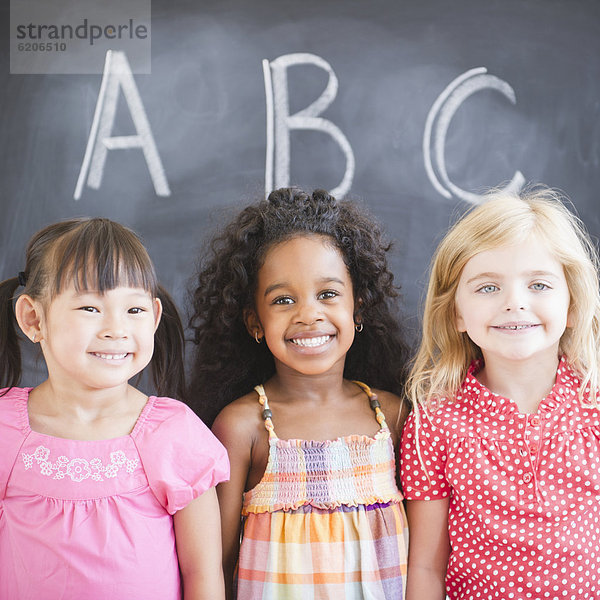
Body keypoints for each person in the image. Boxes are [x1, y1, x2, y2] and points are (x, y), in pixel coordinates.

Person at [188, 187, 411, 599]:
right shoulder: (244, 426)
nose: (308, 314)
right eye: (283, 300)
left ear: (357, 308)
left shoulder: (392, 416)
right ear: (255, 322)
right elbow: (214, 564)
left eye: (328, 294)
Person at [0, 217, 229, 600]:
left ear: (154, 318)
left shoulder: (173, 433)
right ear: (33, 318)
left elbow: (204, 575)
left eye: (134, 310)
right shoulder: (5, 429)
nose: (116, 328)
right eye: (90, 308)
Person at [401, 187, 600, 600]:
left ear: (574, 305)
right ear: (456, 311)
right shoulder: (435, 424)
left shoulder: (594, 407)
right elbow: (425, 566)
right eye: (488, 287)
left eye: (539, 285)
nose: (515, 303)